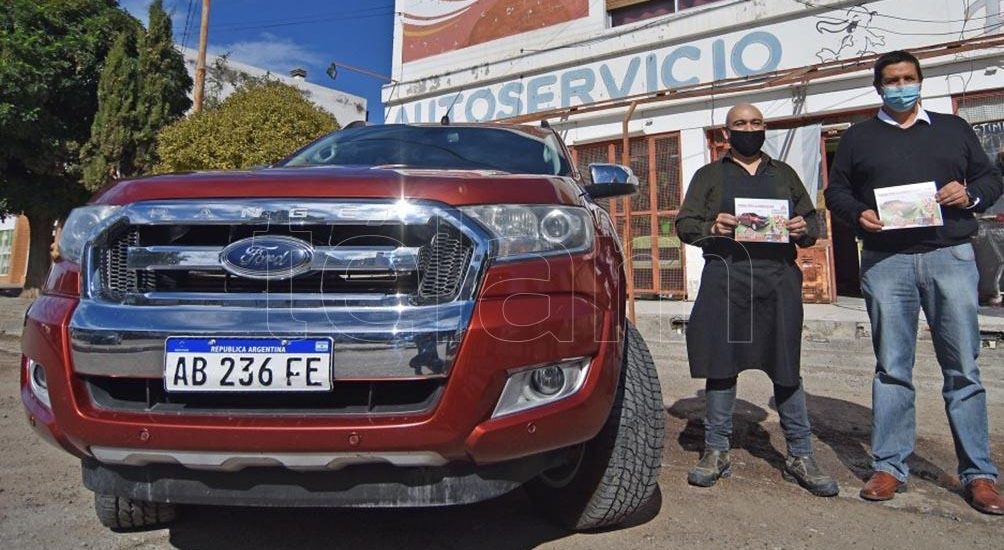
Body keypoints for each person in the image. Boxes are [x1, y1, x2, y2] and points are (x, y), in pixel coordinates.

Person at [825, 50, 1004, 514]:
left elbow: (988, 176)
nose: (900, 85)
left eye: (908, 78)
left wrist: (972, 193)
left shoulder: (953, 129)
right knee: (892, 368)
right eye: (891, 79)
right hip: (887, 263)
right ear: (878, 86)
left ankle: (979, 474)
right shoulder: (858, 138)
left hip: (950, 257)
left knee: (963, 368)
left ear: (920, 81)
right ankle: (888, 466)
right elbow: (837, 191)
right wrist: (857, 215)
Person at [676, 103, 839, 497]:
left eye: (756, 123)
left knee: (786, 367)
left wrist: (804, 227)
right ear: (726, 133)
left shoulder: (783, 174)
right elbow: (684, 224)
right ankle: (716, 450)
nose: (749, 129)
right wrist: (712, 227)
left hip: (778, 281)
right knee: (722, 364)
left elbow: (812, 221)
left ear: (765, 128)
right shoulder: (709, 175)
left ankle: (800, 454)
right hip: (727, 279)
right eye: (740, 124)